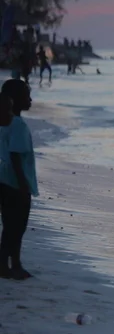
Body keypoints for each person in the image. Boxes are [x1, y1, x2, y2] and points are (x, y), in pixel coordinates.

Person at [0, 79, 38, 280]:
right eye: (27, 96)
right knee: (17, 227)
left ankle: (13, 263)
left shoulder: (6, 123)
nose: (30, 100)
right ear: (14, 101)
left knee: (10, 225)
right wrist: (23, 185)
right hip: (16, 183)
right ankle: (8, 264)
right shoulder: (18, 125)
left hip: (5, 181)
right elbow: (15, 156)